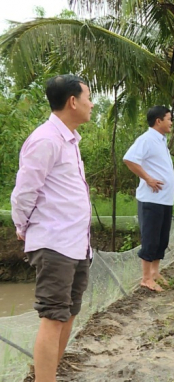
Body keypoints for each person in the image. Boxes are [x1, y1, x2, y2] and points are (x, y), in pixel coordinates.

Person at [11, 74, 94, 382]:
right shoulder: (45, 139)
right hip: (55, 244)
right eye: (88, 97)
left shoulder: (69, 139)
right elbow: (24, 192)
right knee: (52, 316)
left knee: (68, 312)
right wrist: (23, 225)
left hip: (76, 243)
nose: (91, 104)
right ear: (72, 101)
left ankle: (50, 376)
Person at [123, 106, 174, 292]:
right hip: (151, 199)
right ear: (158, 121)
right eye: (169, 119)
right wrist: (148, 178)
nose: (171, 122)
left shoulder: (161, 141)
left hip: (164, 199)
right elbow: (129, 159)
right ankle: (146, 278)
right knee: (151, 238)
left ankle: (155, 272)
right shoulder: (146, 139)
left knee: (162, 238)